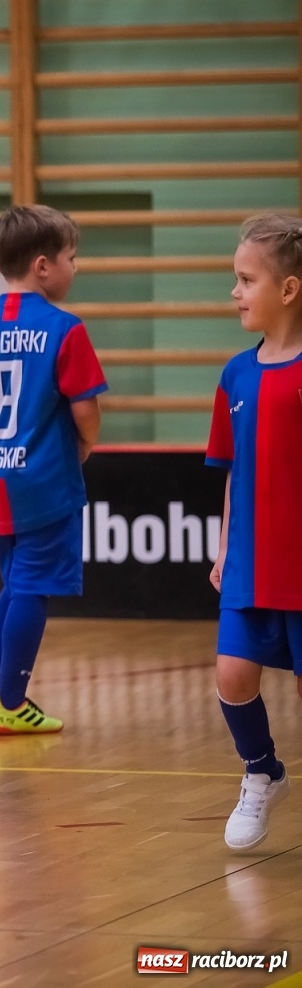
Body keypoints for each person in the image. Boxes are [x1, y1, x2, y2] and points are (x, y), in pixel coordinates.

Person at [0, 206, 105, 736]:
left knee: (16, 581)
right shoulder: (66, 329)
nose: (75, 267)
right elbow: (85, 409)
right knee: (33, 588)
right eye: (71, 257)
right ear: (43, 265)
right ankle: (13, 701)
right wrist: (86, 442)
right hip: (44, 477)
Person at [206, 213, 302, 851]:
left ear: (288, 290)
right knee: (232, 676)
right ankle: (262, 770)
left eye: (246, 280)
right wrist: (224, 546)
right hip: (250, 562)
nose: (235, 292)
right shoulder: (236, 374)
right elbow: (235, 470)